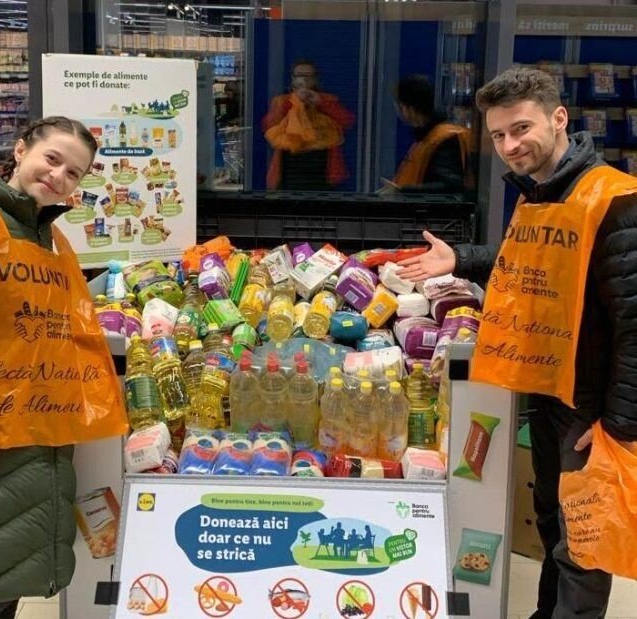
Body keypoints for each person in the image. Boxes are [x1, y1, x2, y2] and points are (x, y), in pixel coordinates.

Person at [398, 67, 637, 619]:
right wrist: (462, 260)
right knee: (552, 520)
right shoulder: (538, 194)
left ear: (559, 119)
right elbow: (532, 264)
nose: (510, 146)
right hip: (548, 392)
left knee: (583, 542)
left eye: (521, 129)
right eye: (499, 135)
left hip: (590, 407)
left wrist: (620, 426)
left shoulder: (614, 200)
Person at [0, 116, 128, 619]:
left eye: (73, 172)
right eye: (52, 158)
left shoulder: (53, 243)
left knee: (3, 591)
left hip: (36, 444)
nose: (58, 176)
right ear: (21, 150)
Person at [262, 59, 354, 190]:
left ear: (315, 79)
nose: (304, 80)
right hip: (291, 163)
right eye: (299, 75)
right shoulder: (282, 101)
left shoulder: (328, 100)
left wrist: (321, 102)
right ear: (293, 79)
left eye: (309, 76)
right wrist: (293, 102)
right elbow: (268, 125)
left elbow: (347, 121)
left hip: (321, 165)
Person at [381, 74, 470, 193]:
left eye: (399, 107)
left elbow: (450, 186)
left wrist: (405, 191)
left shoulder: (445, 139)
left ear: (408, 109)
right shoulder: (426, 138)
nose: (398, 113)